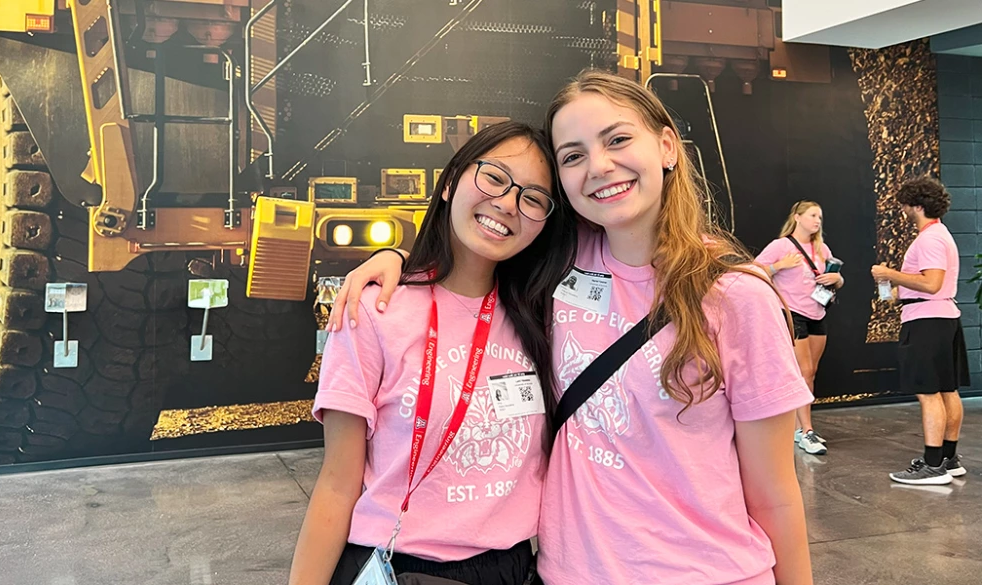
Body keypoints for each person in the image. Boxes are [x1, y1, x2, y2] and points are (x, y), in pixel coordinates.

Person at [327, 71, 814, 585]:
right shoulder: (556, 268)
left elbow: (776, 496)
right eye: (573, 156)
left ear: (667, 146)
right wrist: (398, 259)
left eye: (618, 139)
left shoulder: (736, 297)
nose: (600, 166)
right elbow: (476, 251)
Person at [288, 121, 577, 585]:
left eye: (533, 198)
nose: (506, 204)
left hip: (511, 568)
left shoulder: (546, 319)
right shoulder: (375, 310)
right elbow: (338, 483)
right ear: (450, 182)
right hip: (397, 566)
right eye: (494, 177)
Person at [871, 176, 969, 486]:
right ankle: (947, 459)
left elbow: (931, 283)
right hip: (942, 318)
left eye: (904, 205)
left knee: (929, 394)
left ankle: (932, 466)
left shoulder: (929, 239)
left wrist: (890, 274)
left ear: (917, 205)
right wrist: (897, 285)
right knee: (946, 390)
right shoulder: (939, 235)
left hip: (928, 322)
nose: (902, 210)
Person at [756, 201, 844, 455]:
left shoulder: (821, 248)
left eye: (820, 216)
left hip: (817, 312)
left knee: (810, 372)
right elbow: (752, 269)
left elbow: (836, 280)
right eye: (813, 215)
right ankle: (806, 431)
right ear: (797, 217)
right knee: (803, 370)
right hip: (792, 314)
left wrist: (836, 279)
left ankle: (798, 429)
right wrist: (777, 267)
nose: (817, 221)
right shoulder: (781, 245)